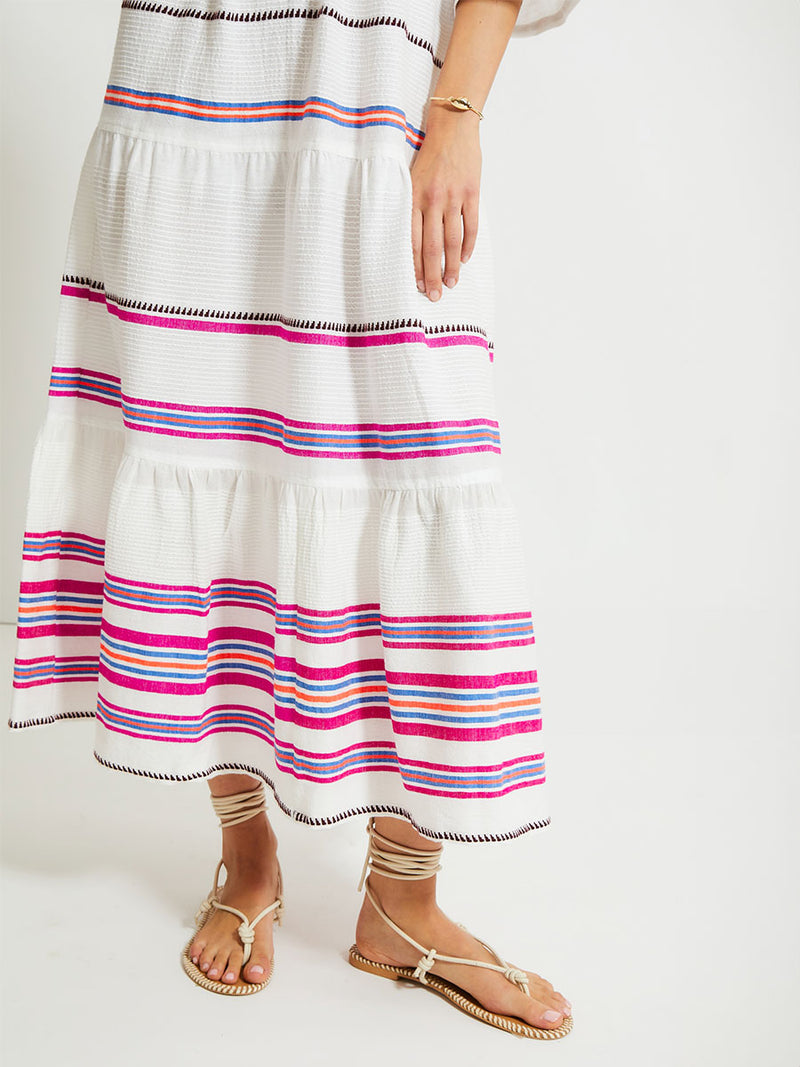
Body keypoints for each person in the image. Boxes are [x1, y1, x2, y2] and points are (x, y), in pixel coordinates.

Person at [8, 0, 579, 1039]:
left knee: (421, 462)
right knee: (204, 447)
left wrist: (456, 110)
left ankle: (403, 897)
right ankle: (245, 844)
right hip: (184, 107)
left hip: (374, 115)